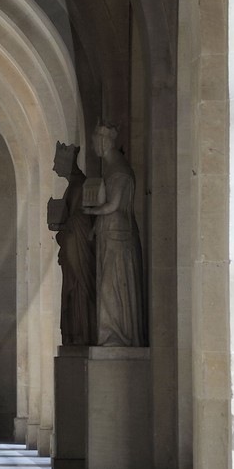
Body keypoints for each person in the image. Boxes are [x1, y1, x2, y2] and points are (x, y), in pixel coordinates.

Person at [81, 124, 146, 346]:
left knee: (113, 285)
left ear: (103, 141)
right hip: (110, 232)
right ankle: (111, 334)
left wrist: (91, 211)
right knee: (107, 284)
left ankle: (116, 334)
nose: (93, 146)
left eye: (94, 142)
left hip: (118, 234)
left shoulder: (119, 169)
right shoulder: (111, 168)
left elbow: (113, 205)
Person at [51, 141, 96, 346]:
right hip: (72, 250)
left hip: (78, 250)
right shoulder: (73, 186)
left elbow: (81, 219)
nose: (54, 168)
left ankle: (81, 333)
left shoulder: (79, 185)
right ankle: (75, 334)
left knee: (78, 292)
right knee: (73, 295)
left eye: (57, 163)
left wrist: (64, 227)